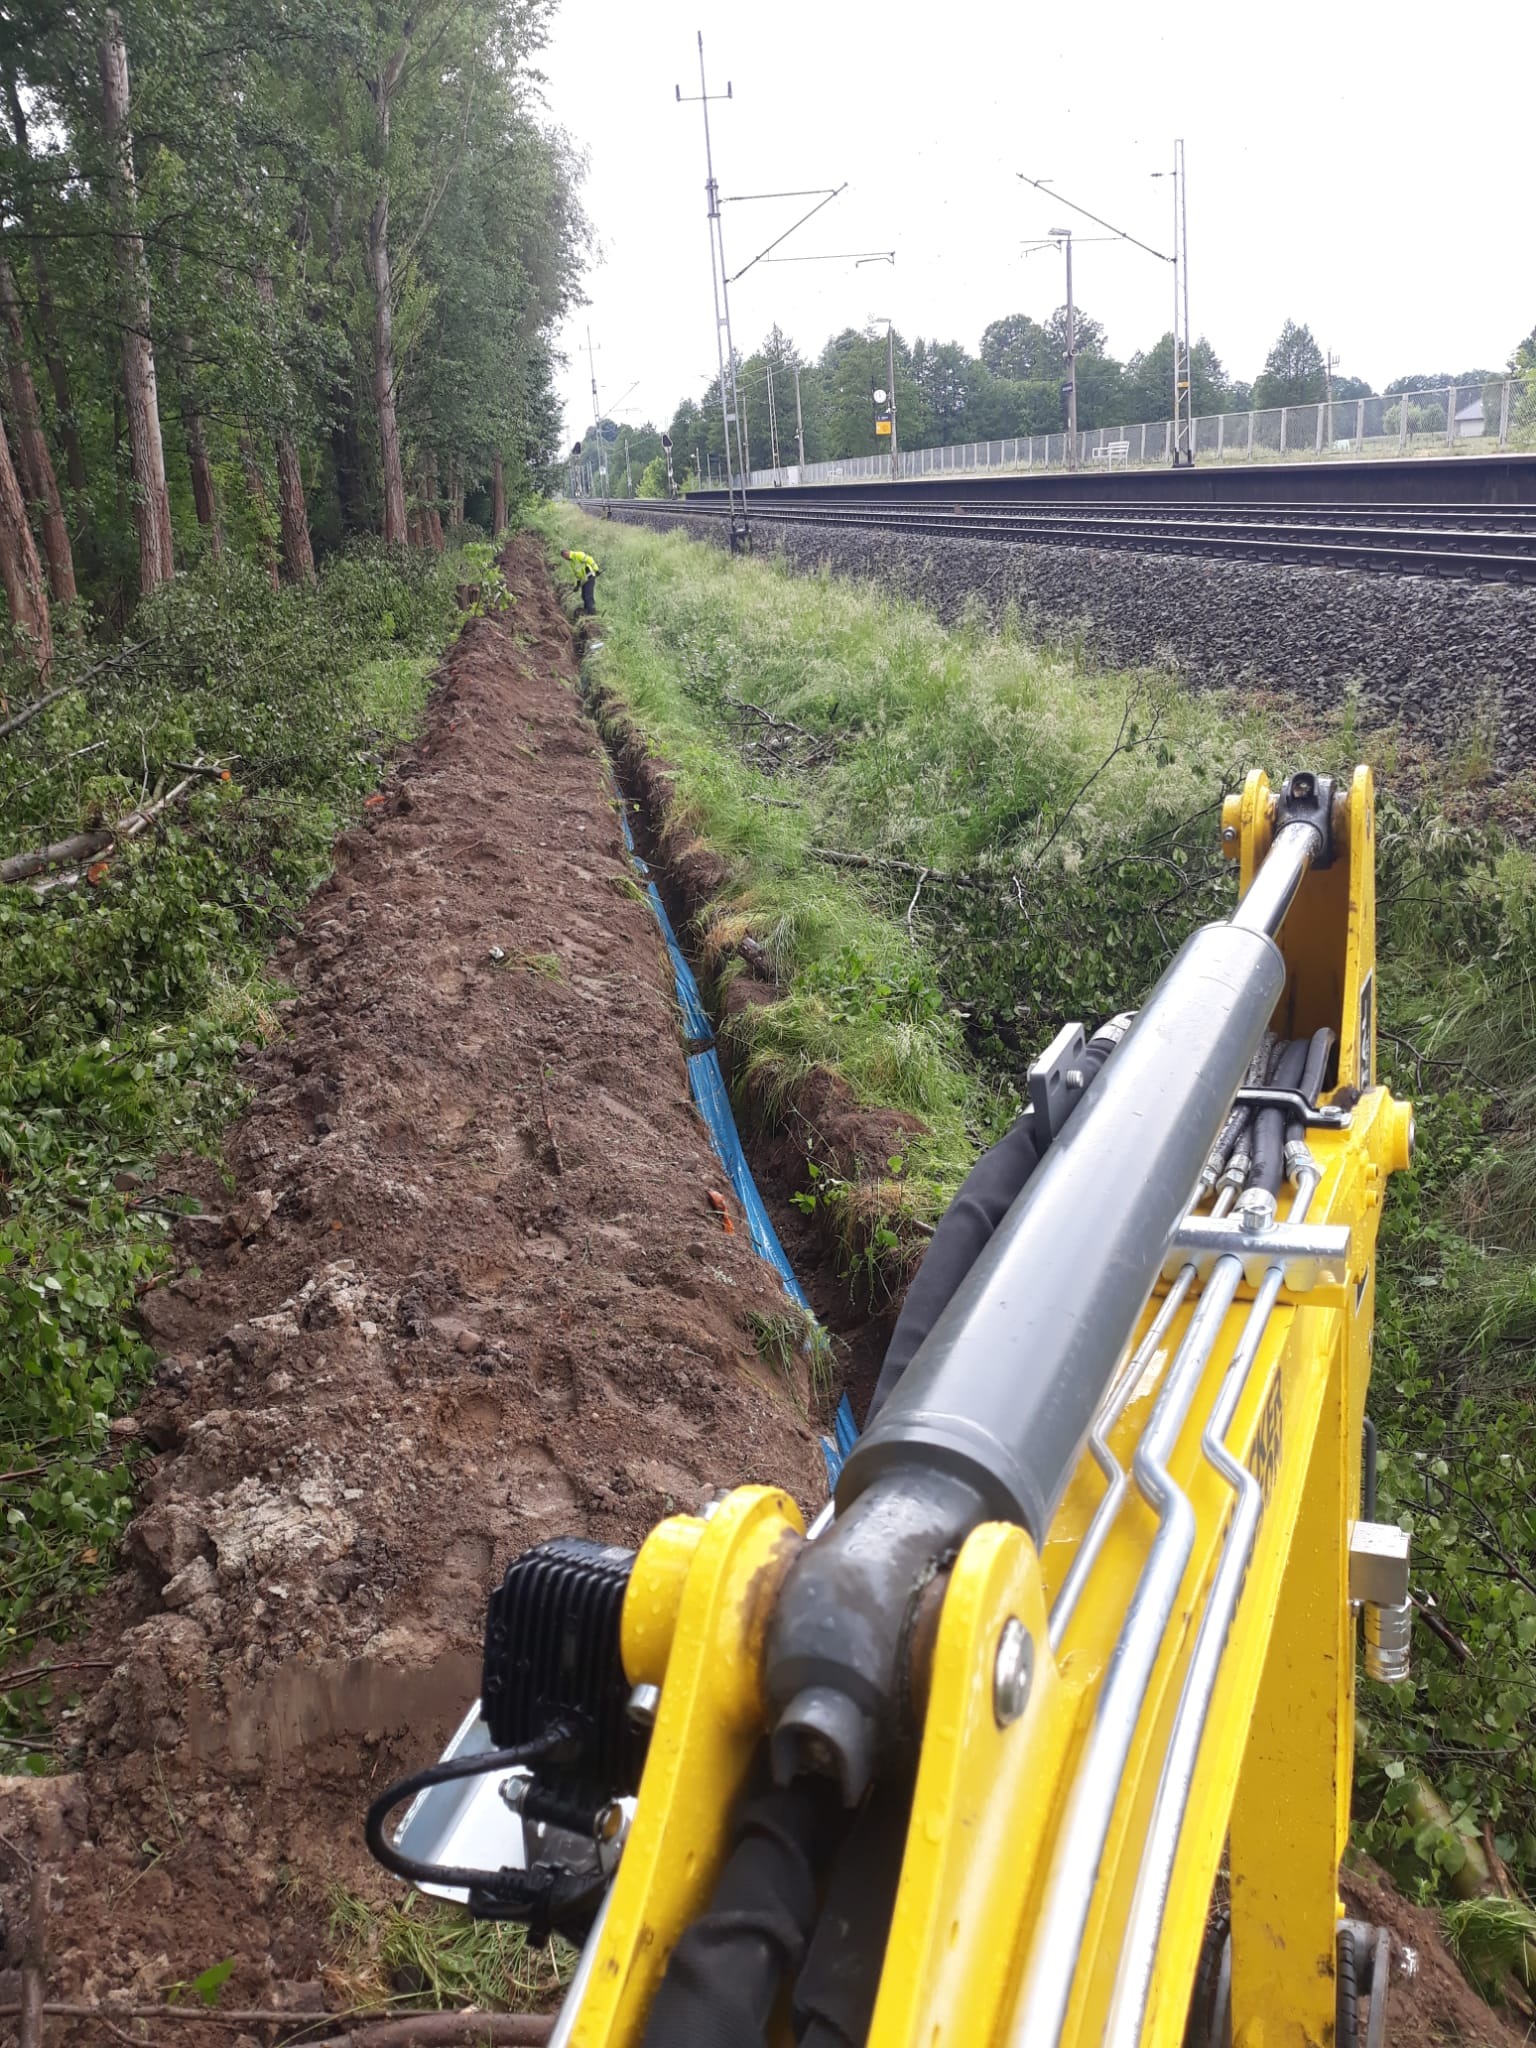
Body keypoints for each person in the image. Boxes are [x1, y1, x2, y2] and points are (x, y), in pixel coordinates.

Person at [562, 547, 600, 615]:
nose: (565, 559)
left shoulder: (578, 555)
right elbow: (578, 574)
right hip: (584, 580)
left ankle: (591, 612)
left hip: (590, 577)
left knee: (588, 595)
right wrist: (578, 584)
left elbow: (590, 559)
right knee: (584, 596)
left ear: (566, 554)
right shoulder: (572, 562)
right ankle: (587, 611)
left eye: (564, 557)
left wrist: (596, 569)